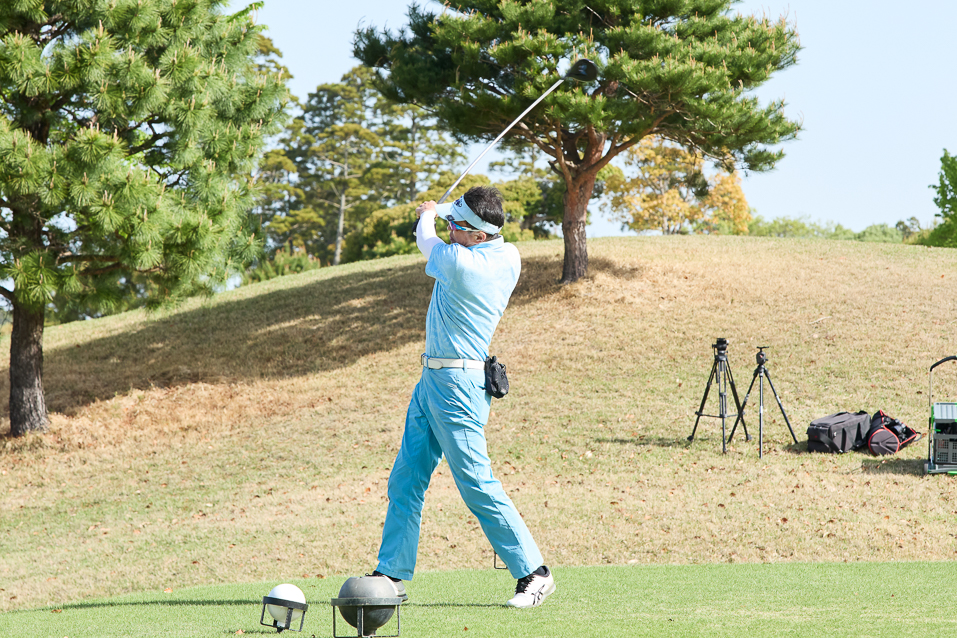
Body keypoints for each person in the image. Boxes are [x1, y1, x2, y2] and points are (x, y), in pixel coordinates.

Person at [371, 185, 554, 609]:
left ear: (478, 235)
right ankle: (391, 574)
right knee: (406, 479)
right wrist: (445, 212)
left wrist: (428, 214)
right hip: (431, 381)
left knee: (475, 482)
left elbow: (425, 239)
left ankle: (534, 572)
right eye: (449, 223)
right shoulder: (507, 254)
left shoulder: (461, 262)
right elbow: (451, 231)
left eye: (456, 226)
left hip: (458, 387)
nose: (449, 230)